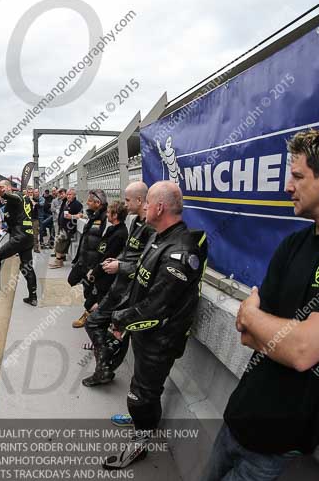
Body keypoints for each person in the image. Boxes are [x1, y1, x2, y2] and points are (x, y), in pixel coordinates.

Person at [202, 129, 319, 481]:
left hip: (274, 444)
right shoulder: (292, 245)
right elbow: (245, 333)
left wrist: (260, 317)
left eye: (298, 176)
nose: (288, 186)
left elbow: (301, 351)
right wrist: (289, 334)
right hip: (236, 417)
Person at [104, 181, 207, 470]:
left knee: (141, 395)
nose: (143, 207)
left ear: (159, 207)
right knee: (143, 390)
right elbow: (140, 281)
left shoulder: (181, 251)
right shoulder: (157, 236)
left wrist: (119, 319)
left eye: (147, 202)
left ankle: (140, 442)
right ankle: (142, 423)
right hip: (144, 332)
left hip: (160, 339)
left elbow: (158, 305)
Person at [84, 182, 154, 388]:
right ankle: (104, 368)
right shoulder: (135, 222)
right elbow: (128, 252)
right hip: (118, 287)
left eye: (127, 200)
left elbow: (148, 265)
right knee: (97, 323)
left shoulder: (152, 228)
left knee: (114, 330)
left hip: (130, 293)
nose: (125, 204)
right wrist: (114, 260)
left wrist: (120, 266)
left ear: (140, 200)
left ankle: (103, 369)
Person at [70, 189, 109, 328]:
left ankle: (91, 317)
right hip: (85, 261)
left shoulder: (106, 218)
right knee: (83, 287)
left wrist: (95, 267)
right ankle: (90, 315)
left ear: (98, 203)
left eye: (90, 201)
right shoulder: (93, 216)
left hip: (94, 265)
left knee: (93, 292)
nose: (87, 203)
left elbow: (105, 245)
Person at [49, 188, 83, 269]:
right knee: (61, 243)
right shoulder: (66, 202)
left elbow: (81, 215)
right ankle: (61, 259)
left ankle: (58, 262)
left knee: (59, 244)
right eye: (67, 194)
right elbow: (58, 193)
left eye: (70, 194)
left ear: (74, 195)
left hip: (68, 228)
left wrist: (71, 216)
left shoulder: (77, 204)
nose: (68, 196)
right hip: (62, 227)